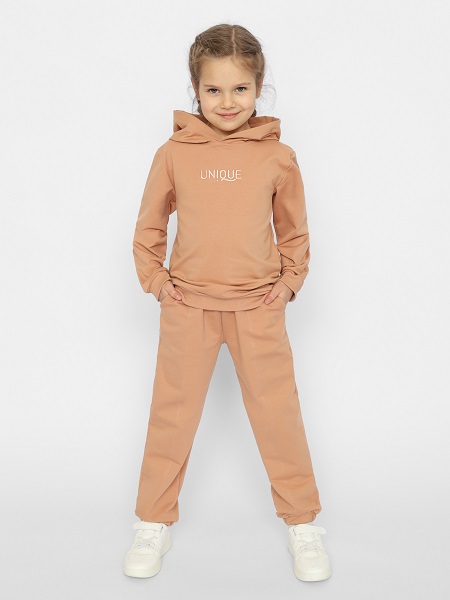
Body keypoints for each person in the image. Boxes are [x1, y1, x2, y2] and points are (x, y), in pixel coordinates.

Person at [122, 23, 332, 583]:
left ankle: (303, 524)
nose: (227, 101)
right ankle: (152, 521)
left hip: (258, 307)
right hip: (188, 306)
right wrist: (156, 281)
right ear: (195, 88)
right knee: (171, 416)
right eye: (213, 89)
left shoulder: (278, 157)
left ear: (259, 87)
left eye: (240, 88)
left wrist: (289, 283)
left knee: (278, 415)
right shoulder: (173, 154)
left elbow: (294, 231)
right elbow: (148, 226)